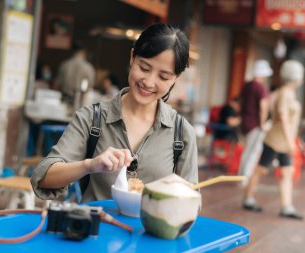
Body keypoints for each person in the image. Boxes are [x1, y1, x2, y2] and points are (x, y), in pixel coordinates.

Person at [31, 23, 198, 202]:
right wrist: (90, 165)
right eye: (144, 68)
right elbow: (43, 177)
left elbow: (191, 202)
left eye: (163, 77)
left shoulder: (182, 134)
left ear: (176, 78)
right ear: (132, 57)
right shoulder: (91, 118)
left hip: (151, 231)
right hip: (96, 228)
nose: (149, 82)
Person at [242, 60, 305, 220]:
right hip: (276, 140)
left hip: (285, 141)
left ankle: (287, 206)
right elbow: (283, 117)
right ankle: (248, 198)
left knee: (287, 172)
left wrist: (295, 140)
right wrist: (291, 142)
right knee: (261, 170)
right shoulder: (284, 92)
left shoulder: (288, 93)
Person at [238, 59, 272, 182]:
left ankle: (241, 176)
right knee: (251, 152)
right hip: (255, 125)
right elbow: (263, 108)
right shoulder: (261, 88)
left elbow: (240, 103)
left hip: (245, 122)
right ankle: (244, 178)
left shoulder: (247, 85)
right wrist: (262, 124)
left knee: (246, 151)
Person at [54, 41, 96, 109]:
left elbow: (56, 85)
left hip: (64, 103)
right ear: (83, 52)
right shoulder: (88, 67)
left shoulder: (64, 65)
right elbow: (90, 87)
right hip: (80, 104)